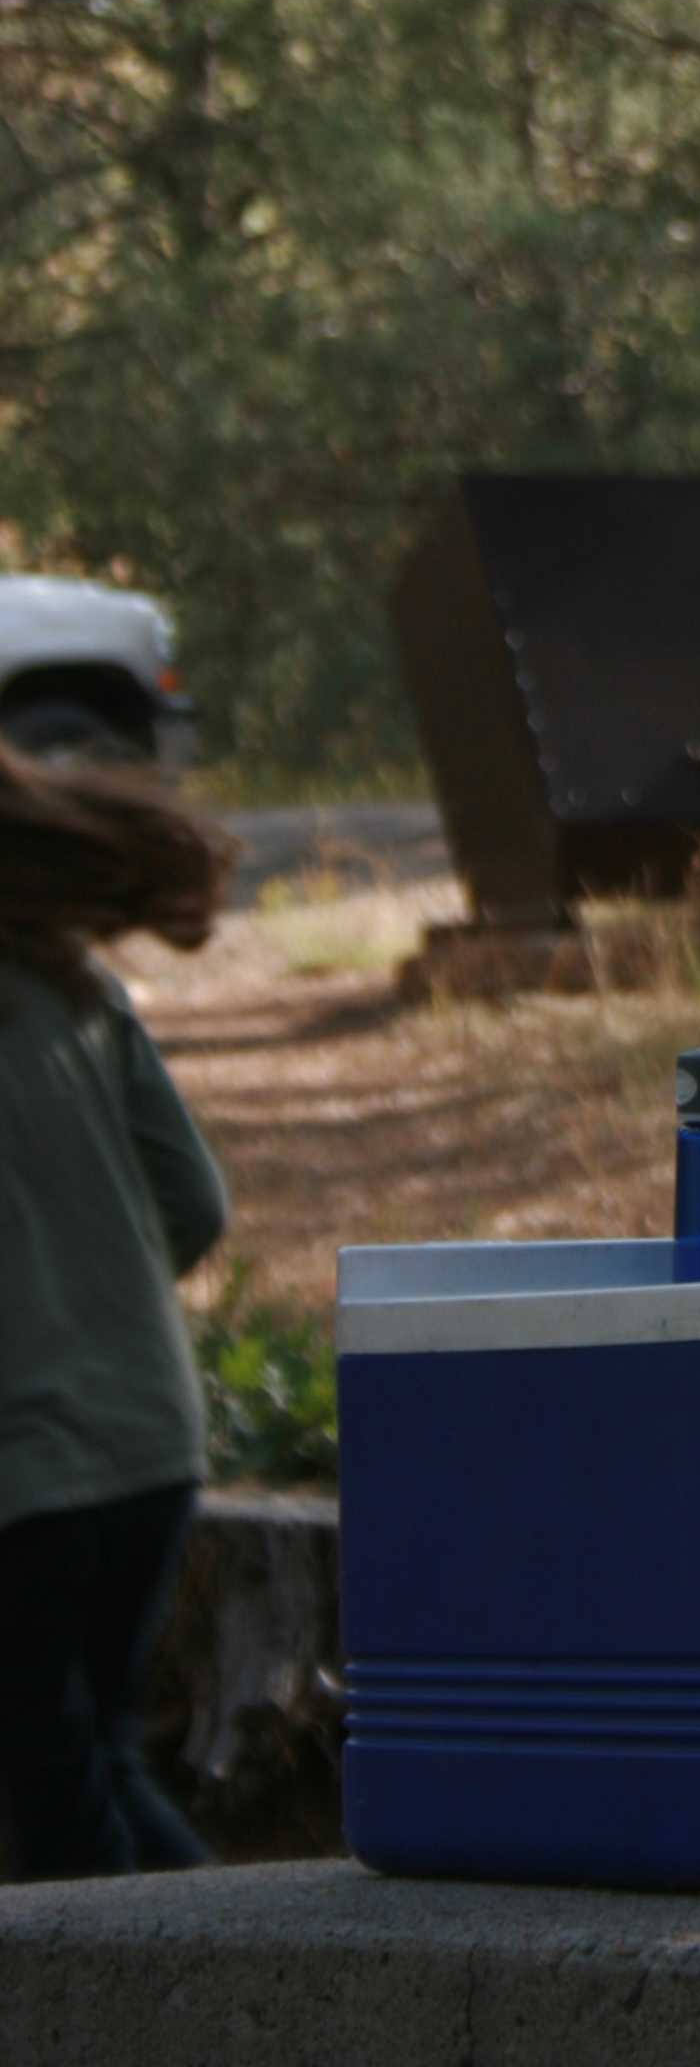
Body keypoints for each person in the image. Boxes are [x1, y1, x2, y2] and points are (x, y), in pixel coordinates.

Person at [0, 746, 233, 1878]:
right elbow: (195, 1201)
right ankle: (253, 1971)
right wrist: (95, 1303)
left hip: (30, 1473)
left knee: (52, 1802)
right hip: (153, 1437)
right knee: (99, 1761)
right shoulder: (73, 977)